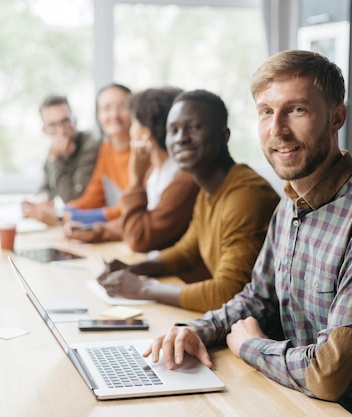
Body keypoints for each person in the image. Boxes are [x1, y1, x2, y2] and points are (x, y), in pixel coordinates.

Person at [142, 50, 352, 416]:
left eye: (297, 110)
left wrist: (251, 347)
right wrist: (196, 329)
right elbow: (257, 298)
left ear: (337, 117)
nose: (278, 130)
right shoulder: (290, 204)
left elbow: (328, 373)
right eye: (266, 112)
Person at [98, 89, 280, 313]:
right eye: (173, 130)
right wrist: (133, 269)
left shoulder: (246, 195)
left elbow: (228, 293)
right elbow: (186, 251)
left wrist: (144, 287)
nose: (181, 138)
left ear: (224, 135)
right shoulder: (208, 191)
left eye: (194, 128)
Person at [64, 86, 200, 253]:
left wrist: (136, 181)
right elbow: (138, 220)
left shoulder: (182, 179)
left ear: (145, 133)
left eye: (133, 121)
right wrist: (97, 231)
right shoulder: (156, 172)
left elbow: (139, 236)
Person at [24, 84, 133, 226]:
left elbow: (131, 207)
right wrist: (56, 210)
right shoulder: (107, 149)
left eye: (122, 106)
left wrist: (62, 217)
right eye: (106, 108)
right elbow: (90, 198)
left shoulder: (95, 146)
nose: (61, 131)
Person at [21, 95, 100, 215]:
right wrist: (43, 198)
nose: (61, 130)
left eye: (65, 121)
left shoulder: (91, 146)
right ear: (45, 130)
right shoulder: (54, 150)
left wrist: (56, 159)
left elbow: (72, 199)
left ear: (75, 120)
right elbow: (45, 186)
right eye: (52, 125)